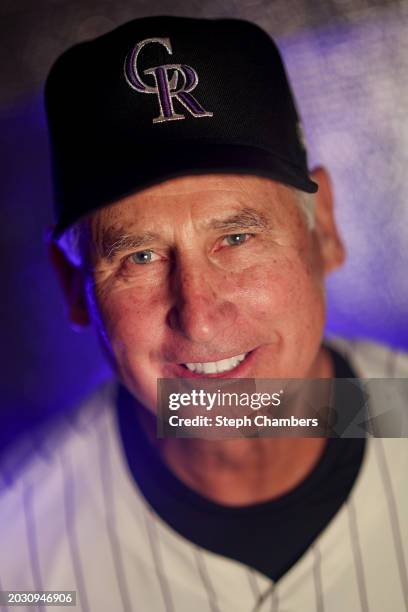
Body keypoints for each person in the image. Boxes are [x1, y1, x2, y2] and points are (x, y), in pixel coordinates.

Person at [0, 15, 407, 612]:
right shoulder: (19, 557)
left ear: (324, 232)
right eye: (139, 255)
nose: (200, 319)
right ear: (73, 285)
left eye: (237, 239)